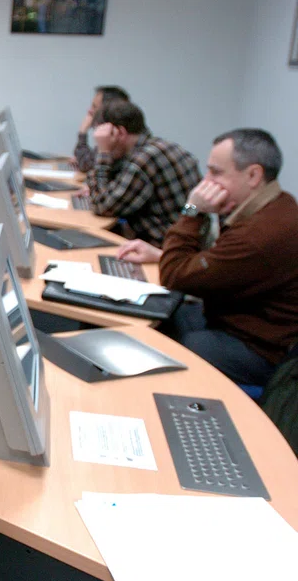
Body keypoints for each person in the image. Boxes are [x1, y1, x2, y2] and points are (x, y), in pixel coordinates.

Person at [117, 129, 298, 387]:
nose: (206, 181)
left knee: (174, 339)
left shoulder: (258, 235)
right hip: (246, 323)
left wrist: (193, 211)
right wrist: (162, 255)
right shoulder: (280, 204)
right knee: (164, 309)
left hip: (260, 351)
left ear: (253, 175)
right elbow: (223, 262)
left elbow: (173, 276)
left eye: (216, 172)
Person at [86, 100, 201, 246]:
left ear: (119, 132)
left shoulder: (143, 160)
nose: (99, 143)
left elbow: (102, 207)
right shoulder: (160, 146)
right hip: (187, 237)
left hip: (167, 246)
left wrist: (103, 152)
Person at [74, 85, 130, 172]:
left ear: (108, 110)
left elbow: (85, 164)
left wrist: (83, 131)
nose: (89, 111)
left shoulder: (115, 135)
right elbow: (88, 161)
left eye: (94, 107)